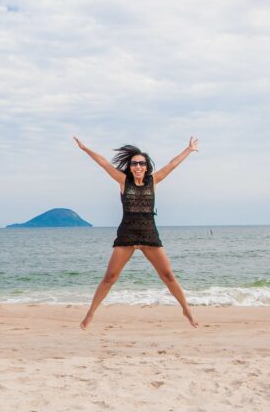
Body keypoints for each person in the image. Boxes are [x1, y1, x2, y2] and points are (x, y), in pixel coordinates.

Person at [72, 136, 200, 329]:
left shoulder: (153, 180)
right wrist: (85, 149)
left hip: (149, 233)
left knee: (168, 275)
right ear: (130, 167)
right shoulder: (123, 180)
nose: (138, 166)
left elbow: (172, 165)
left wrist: (188, 150)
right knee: (110, 277)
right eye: (134, 163)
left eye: (141, 163)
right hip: (127, 235)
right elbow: (104, 163)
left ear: (146, 167)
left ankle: (186, 309)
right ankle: (90, 313)